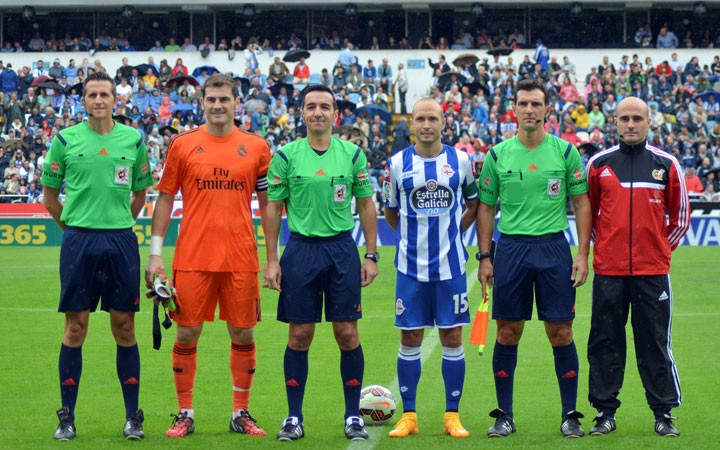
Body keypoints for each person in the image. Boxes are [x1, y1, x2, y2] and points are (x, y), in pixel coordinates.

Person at [145, 74, 271, 438]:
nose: (218, 105)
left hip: (240, 256)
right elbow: (166, 197)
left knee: (243, 332)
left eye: (224, 99)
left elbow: (267, 203)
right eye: (211, 99)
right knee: (186, 333)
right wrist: (155, 255)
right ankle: (185, 412)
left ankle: (240, 412)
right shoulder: (183, 145)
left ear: (236, 103)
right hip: (193, 256)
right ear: (201, 102)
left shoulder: (257, 147)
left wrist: (273, 256)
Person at [263, 84, 379, 442]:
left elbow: (365, 205)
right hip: (300, 251)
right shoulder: (285, 156)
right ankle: (294, 417)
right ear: (301, 113)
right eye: (311, 106)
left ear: (335, 114)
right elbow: (272, 207)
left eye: (324, 106)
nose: (317, 112)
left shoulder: (352, 155)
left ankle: (352, 417)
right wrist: (271, 259)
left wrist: (371, 255)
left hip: (342, 250)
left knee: (347, 334)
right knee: (300, 335)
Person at [477, 78, 592, 438]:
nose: (529, 110)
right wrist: (484, 256)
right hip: (510, 248)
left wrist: (582, 254)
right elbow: (486, 207)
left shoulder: (565, 152)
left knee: (561, 331)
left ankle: (570, 414)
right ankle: (504, 415)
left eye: (535, 104)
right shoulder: (497, 155)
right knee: (507, 331)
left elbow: (581, 203)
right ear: (514, 109)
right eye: (523, 104)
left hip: (553, 248)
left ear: (547, 110)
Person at [42, 71, 153, 441]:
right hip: (79, 242)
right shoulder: (65, 140)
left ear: (115, 99)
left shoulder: (134, 139)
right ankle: (67, 418)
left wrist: (116, 224)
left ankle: (132, 417)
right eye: (92, 95)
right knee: (76, 327)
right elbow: (50, 197)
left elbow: (139, 195)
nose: (99, 100)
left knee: (124, 326)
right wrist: (75, 227)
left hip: (121, 241)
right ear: (84, 100)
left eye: (105, 94)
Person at [585, 96, 689, 437]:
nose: (630, 124)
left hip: (652, 273)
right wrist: (606, 249)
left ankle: (663, 413)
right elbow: (592, 216)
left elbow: (681, 217)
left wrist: (658, 252)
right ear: (614, 122)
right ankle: (604, 412)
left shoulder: (667, 164)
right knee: (605, 341)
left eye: (637, 119)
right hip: (609, 272)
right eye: (624, 118)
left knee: (654, 341)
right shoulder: (599, 164)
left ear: (648, 122)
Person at [384, 98, 479, 439]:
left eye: (432, 118)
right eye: (420, 118)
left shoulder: (461, 160)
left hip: (451, 267)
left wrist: (454, 233)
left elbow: (474, 203)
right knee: (410, 337)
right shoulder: (396, 164)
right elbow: (391, 212)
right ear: (412, 124)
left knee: (452, 336)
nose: (426, 124)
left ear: (443, 123)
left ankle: (451, 416)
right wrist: (414, 238)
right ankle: (409, 416)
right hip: (410, 269)